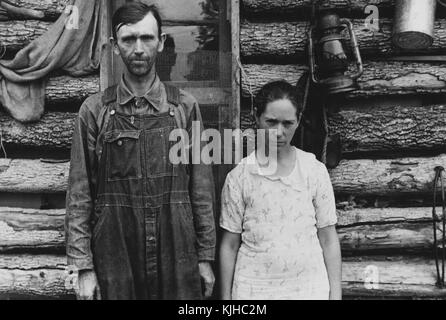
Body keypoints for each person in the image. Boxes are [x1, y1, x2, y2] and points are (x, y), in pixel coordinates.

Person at [65, 2, 216, 300]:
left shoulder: (185, 108)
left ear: (160, 43)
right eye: (128, 39)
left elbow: (201, 189)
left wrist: (205, 257)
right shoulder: (94, 111)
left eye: (147, 38)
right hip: (115, 251)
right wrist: (83, 267)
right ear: (114, 45)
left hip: (177, 248)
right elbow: (79, 195)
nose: (138, 48)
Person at [219, 80, 342, 300]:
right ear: (257, 117)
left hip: (308, 288)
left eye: (287, 123)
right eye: (271, 122)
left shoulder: (313, 171)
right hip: (254, 290)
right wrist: (226, 299)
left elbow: (328, 238)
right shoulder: (239, 177)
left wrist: (336, 295)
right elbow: (229, 244)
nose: (279, 132)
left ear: (298, 121)